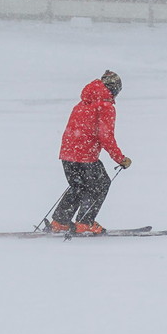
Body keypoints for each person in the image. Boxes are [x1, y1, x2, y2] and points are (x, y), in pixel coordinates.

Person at [50, 70, 132, 235]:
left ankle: (60, 221)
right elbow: (105, 136)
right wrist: (120, 159)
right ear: (114, 88)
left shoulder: (83, 103)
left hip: (67, 153)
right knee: (100, 185)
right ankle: (85, 222)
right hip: (85, 155)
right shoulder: (105, 106)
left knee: (78, 186)